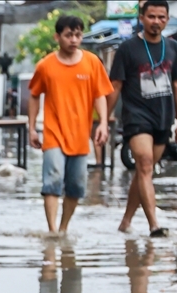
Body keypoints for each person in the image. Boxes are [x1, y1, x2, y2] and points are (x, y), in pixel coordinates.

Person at [108, 0, 177, 237]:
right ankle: (154, 224)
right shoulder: (127, 48)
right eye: (151, 17)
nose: (156, 22)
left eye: (161, 17)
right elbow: (116, 84)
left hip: (163, 118)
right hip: (136, 116)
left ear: (167, 20)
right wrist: (104, 119)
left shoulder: (173, 48)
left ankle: (126, 221)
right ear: (141, 18)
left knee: (145, 171)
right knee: (143, 163)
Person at [28, 15, 112, 233]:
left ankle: (63, 228)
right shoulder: (46, 66)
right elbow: (34, 95)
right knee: (53, 179)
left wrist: (103, 123)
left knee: (76, 187)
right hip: (53, 132)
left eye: (78, 35)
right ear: (58, 37)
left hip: (80, 135)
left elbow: (99, 95)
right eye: (68, 35)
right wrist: (31, 129)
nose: (73, 39)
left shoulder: (92, 62)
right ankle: (52, 230)